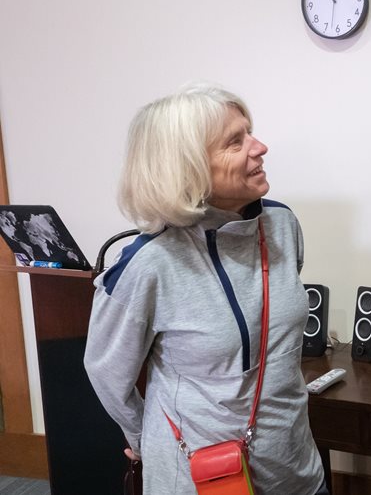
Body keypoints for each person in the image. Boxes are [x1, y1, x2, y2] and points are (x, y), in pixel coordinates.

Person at [84, 84, 327, 495]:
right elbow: (106, 371)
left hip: (296, 472)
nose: (260, 147)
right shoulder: (148, 264)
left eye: (250, 132)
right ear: (186, 166)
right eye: (235, 141)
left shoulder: (282, 225)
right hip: (198, 479)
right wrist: (145, 440)